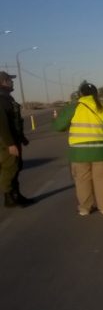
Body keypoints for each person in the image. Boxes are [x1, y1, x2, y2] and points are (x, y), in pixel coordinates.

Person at [53, 81, 103, 215]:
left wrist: (56, 119)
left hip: (79, 153)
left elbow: (58, 127)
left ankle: (85, 208)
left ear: (80, 94)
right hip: (101, 151)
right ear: (95, 94)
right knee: (102, 180)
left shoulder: (73, 108)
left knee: (82, 181)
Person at [0, 70, 34, 208]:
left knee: (15, 167)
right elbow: (2, 124)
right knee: (9, 168)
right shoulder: (1, 99)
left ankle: (16, 196)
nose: (12, 82)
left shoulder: (7, 98)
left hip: (13, 139)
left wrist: (22, 138)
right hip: (6, 141)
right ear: (3, 82)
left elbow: (14, 121)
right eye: (10, 80)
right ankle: (9, 196)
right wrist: (10, 144)